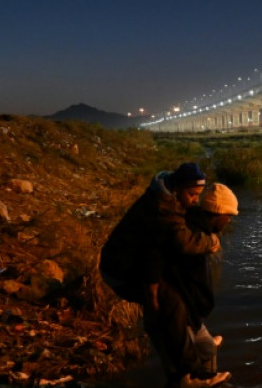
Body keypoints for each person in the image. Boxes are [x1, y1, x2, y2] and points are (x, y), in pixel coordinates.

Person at [99, 163, 229, 388]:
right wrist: (211, 242)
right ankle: (188, 374)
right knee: (169, 303)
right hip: (121, 270)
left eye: (198, 195)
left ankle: (195, 342)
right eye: (192, 194)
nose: (194, 200)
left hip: (134, 264)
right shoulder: (162, 209)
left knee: (172, 301)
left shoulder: (170, 199)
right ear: (177, 189)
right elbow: (179, 243)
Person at [165, 183, 239, 385]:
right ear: (218, 213)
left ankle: (207, 377)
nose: (229, 221)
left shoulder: (197, 229)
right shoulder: (193, 237)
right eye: (229, 216)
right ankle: (199, 380)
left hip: (192, 313)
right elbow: (181, 281)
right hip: (181, 313)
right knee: (184, 369)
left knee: (207, 348)